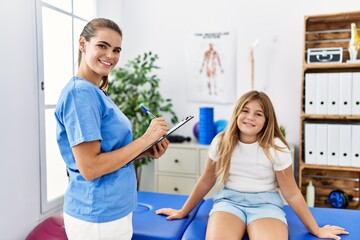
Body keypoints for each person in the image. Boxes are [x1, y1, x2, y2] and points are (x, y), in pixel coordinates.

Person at [156, 90, 349, 240]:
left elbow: (291, 192)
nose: (250, 117)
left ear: (266, 121)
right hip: (229, 202)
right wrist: (183, 211)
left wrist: (316, 229)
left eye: (258, 114)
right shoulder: (221, 141)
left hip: (266, 205)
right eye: (245, 111)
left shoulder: (276, 148)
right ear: (237, 113)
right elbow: (207, 180)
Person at [54, 18, 169, 240]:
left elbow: (106, 154)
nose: (111, 55)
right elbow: (90, 168)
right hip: (97, 215)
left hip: (112, 210)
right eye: (102, 46)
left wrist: (143, 151)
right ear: (82, 43)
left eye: (116, 50)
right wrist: (145, 140)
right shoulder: (80, 95)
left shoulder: (95, 92)